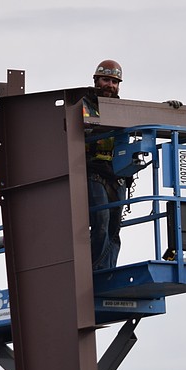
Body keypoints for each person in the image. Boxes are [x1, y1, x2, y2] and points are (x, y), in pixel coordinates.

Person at [83, 60, 127, 271]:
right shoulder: (83, 105)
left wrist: (169, 108)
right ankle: (94, 270)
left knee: (114, 227)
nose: (110, 85)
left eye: (114, 82)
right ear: (96, 80)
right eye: (106, 80)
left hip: (116, 174)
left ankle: (109, 269)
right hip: (93, 170)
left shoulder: (122, 110)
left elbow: (145, 117)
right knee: (100, 222)